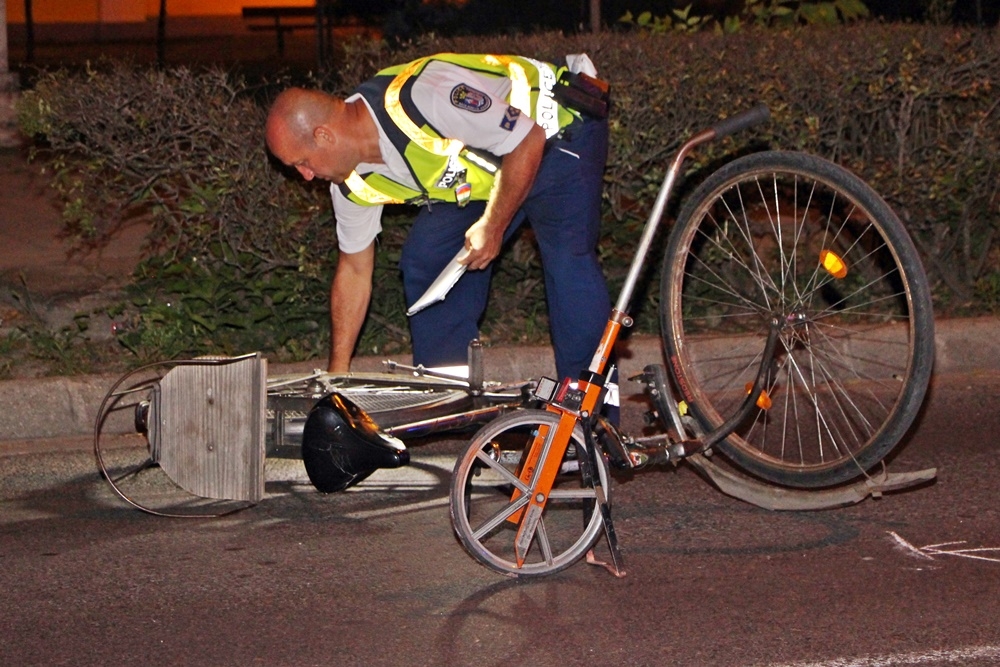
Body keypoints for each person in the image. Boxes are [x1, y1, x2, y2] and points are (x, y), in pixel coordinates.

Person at [265, 53, 611, 385]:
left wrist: (492, 226)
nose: (305, 176)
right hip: (493, 173)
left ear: (324, 136)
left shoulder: (424, 96)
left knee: (567, 260)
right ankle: (452, 396)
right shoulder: (351, 183)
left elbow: (527, 138)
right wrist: (336, 376)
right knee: (429, 259)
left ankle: (586, 411)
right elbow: (354, 271)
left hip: (556, 130)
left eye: (302, 162)